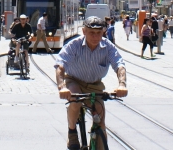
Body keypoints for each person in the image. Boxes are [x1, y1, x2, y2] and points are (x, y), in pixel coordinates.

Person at [55, 17, 128, 150]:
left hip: (95, 84)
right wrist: (62, 87)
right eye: (91, 33)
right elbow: (60, 65)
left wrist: (122, 84)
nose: (95, 36)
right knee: (75, 100)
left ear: (103, 32)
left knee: (100, 120)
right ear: (84, 31)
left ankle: (99, 143)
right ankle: (72, 131)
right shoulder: (74, 45)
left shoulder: (107, 46)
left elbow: (119, 65)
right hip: (75, 80)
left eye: (98, 33)